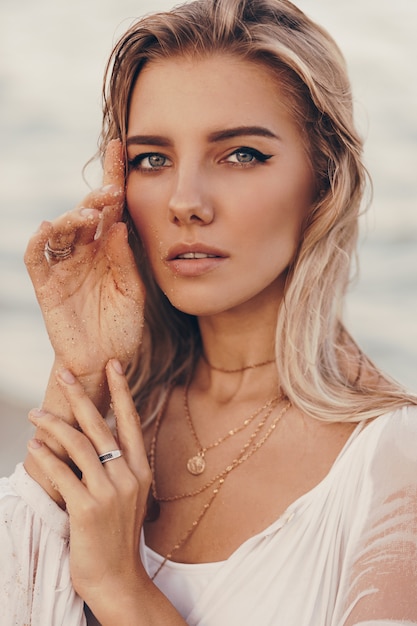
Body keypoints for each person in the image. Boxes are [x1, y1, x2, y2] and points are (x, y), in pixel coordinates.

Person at [1, 0, 416, 624]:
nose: (185, 201)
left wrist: (122, 589)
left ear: (324, 182)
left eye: (241, 154)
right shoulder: (115, 418)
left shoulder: (394, 467)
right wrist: (82, 372)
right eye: (152, 159)